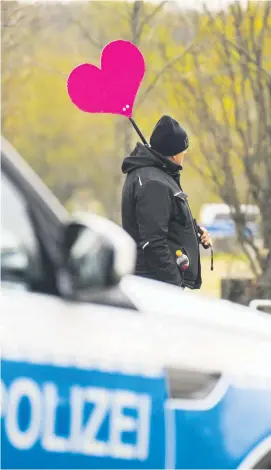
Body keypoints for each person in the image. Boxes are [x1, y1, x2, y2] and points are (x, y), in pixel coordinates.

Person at [121, 115, 212, 289]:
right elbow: (153, 243)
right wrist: (174, 285)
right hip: (155, 285)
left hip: (157, 283)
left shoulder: (158, 175)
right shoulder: (153, 183)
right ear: (174, 153)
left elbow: (167, 219)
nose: (185, 153)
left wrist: (195, 232)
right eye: (183, 148)